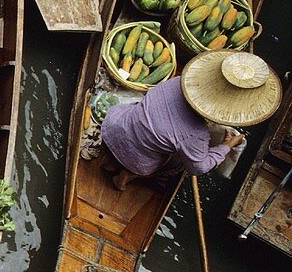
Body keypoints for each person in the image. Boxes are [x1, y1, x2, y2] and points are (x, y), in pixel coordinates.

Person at [100, 50, 280, 190]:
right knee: (176, 165)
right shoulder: (196, 135)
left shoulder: (177, 82)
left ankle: (108, 162)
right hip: (136, 158)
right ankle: (124, 177)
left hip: (114, 125)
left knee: (145, 133)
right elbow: (198, 168)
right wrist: (226, 146)